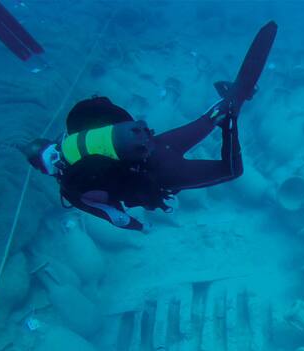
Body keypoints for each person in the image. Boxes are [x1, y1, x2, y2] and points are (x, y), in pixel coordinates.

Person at [23, 21, 277, 231]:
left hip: (163, 173)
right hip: (154, 144)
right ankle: (228, 102)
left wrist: (141, 227)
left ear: (46, 170)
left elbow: (117, 217)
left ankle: (229, 121)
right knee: (206, 120)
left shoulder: (72, 188)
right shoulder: (74, 138)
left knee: (231, 170)